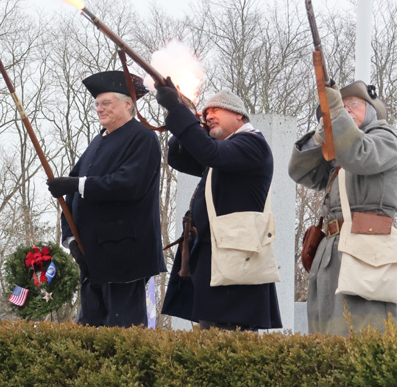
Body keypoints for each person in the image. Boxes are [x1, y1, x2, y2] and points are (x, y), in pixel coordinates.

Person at [156, 84, 282, 331]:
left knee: (231, 337)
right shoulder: (227, 151)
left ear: (238, 115)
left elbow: (207, 152)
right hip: (219, 254)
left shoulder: (251, 143)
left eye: (215, 110)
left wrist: (177, 109)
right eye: (205, 114)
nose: (208, 116)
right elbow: (179, 157)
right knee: (212, 332)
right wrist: (184, 115)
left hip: (236, 255)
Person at [47, 71, 166, 328]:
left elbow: (128, 184)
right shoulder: (96, 142)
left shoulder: (142, 138)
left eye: (106, 103)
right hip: (92, 255)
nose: (99, 109)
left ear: (127, 104)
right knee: (90, 327)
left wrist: (76, 184)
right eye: (97, 104)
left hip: (126, 254)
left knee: (123, 329)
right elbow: (71, 195)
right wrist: (71, 239)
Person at [288, 81, 397, 334]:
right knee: (323, 335)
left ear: (373, 110)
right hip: (331, 249)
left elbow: (360, 155)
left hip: (366, 247)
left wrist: (336, 116)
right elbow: (301, 173)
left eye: (353, 104)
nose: (346, 109)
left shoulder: (387, 139)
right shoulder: (342, 150)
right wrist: (321, 135)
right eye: (341, 106)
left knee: (362, 332)